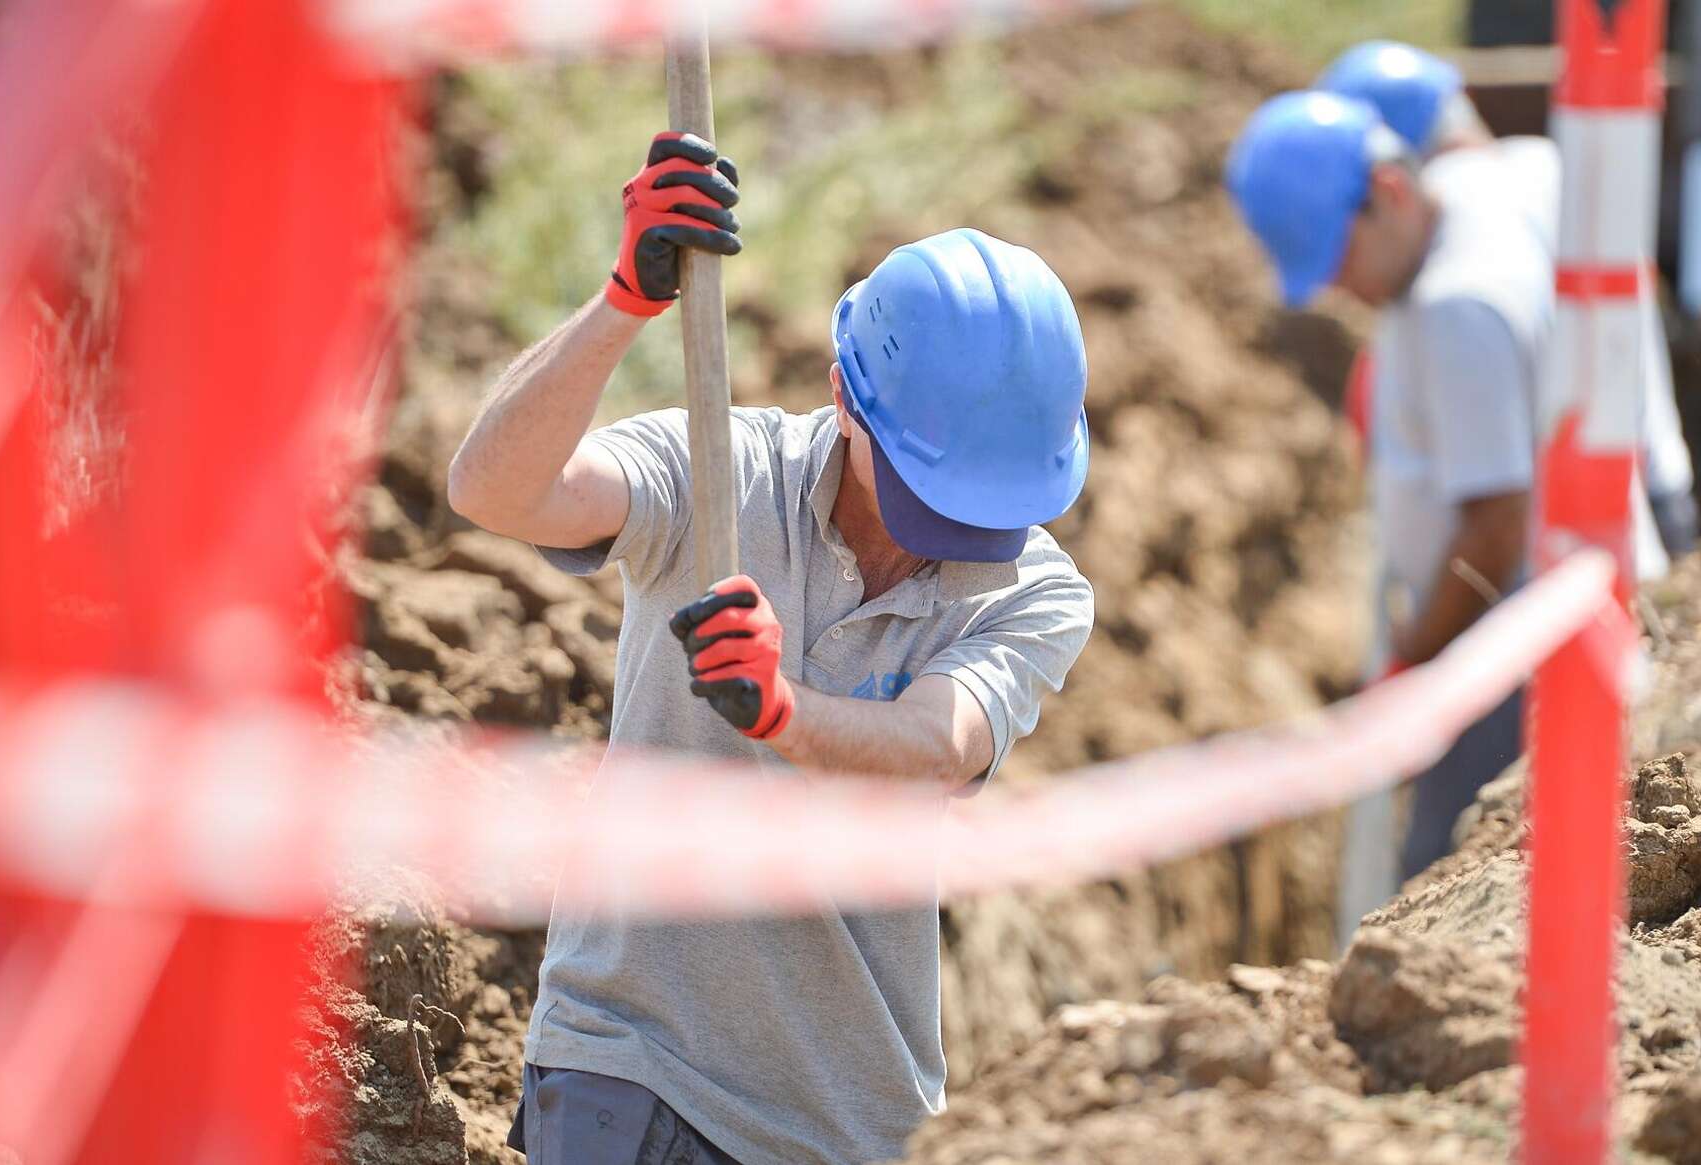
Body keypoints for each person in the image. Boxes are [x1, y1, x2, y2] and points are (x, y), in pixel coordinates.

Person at [447, 132, 1095, 1165]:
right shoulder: (717, 469)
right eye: (934, 489)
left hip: (846, 1120)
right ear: (845, 400)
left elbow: (936, 743)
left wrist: (779, 709)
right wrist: (623, 300)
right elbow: (496, 492)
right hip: (627, 1059)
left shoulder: (1036, 589)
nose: (963, 527)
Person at [1227, 92, 1564, 883]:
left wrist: (1411, 664)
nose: (1340, 287)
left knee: (1442, 864)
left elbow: (1493, 528)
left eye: (1340, 258)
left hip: (1497, 653)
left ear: (1392, 192)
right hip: (1505, 631)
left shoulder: (1457, 306)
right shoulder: (1472, 219)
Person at [1317, 40, 1701, 558]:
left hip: (1600, 522)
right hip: (1651, 487)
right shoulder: (1547, 168)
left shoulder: (1461, 272)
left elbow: (1498, 508)